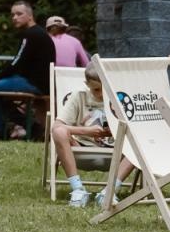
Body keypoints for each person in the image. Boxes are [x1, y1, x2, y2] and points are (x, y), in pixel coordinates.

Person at [53, 61, 134, 208]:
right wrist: (87, 131)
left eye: (105, 89)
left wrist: (116, 130)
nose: (102, 94)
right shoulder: (79, 96)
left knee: (141, 139)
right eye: (97, 90)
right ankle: (78, 190)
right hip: (81, 149)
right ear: (87, 84)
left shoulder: (120, 97)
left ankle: (109, 192)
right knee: (59, 132)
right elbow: (57, 126)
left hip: (116, 151)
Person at [0, 1, 56, 141]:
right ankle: (31, 127)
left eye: (19, 14)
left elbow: (16, 63)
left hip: (34, 83)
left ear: (30, 16)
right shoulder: (37, 33)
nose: (14, 17)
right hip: (37, 82)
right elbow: (22, 63)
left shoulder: (32, 34)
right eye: (12, 15)